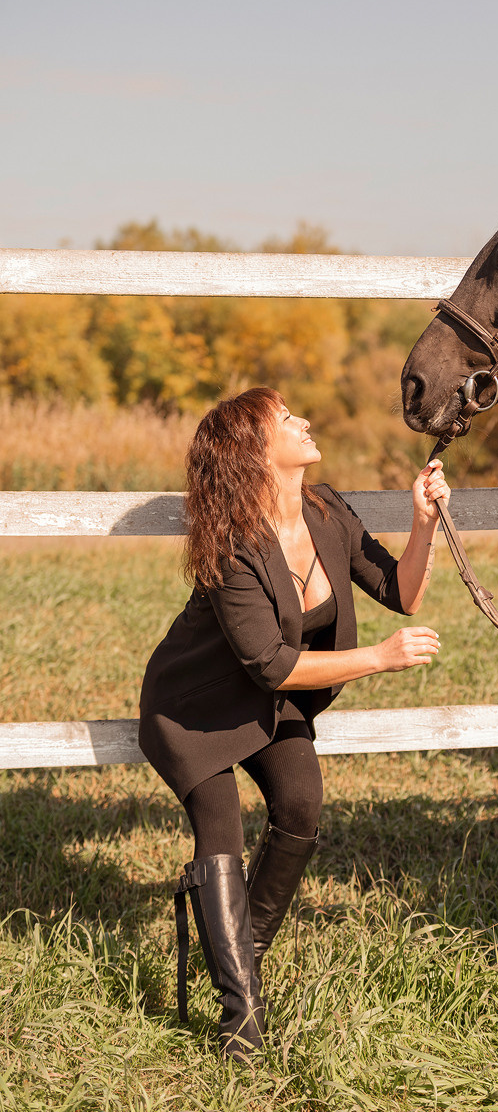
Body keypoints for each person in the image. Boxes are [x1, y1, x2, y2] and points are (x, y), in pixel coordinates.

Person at [138, 386, 449, 1061]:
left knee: (301, 808)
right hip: (193, 706)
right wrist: (377, 659)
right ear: (253, 451)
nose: (304, 420)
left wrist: (421, 522)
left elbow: (402, 591)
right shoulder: (232, 545)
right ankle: (240, 1021)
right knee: (219, 830)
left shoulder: (327, 509)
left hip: (267, 699)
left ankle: (236, 968)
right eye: (285, 419)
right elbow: (270, 664)